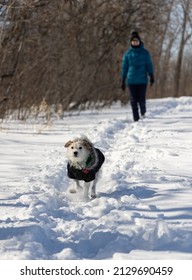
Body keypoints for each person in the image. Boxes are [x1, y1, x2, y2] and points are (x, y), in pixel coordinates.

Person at [121, 31, 154, 121]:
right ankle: (136, 118)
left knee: (141, 99)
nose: (135, 42)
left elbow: (149, 64)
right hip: (131, 80)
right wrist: (123, 79)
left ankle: (143, 112)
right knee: (133, 100)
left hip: (142, 80)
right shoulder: (127, 54)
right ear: (131, 42)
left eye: (136, 41)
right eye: (133, 41)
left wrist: (151, 75)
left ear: (139, 41)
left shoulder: (145, 53)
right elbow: (124, 67)